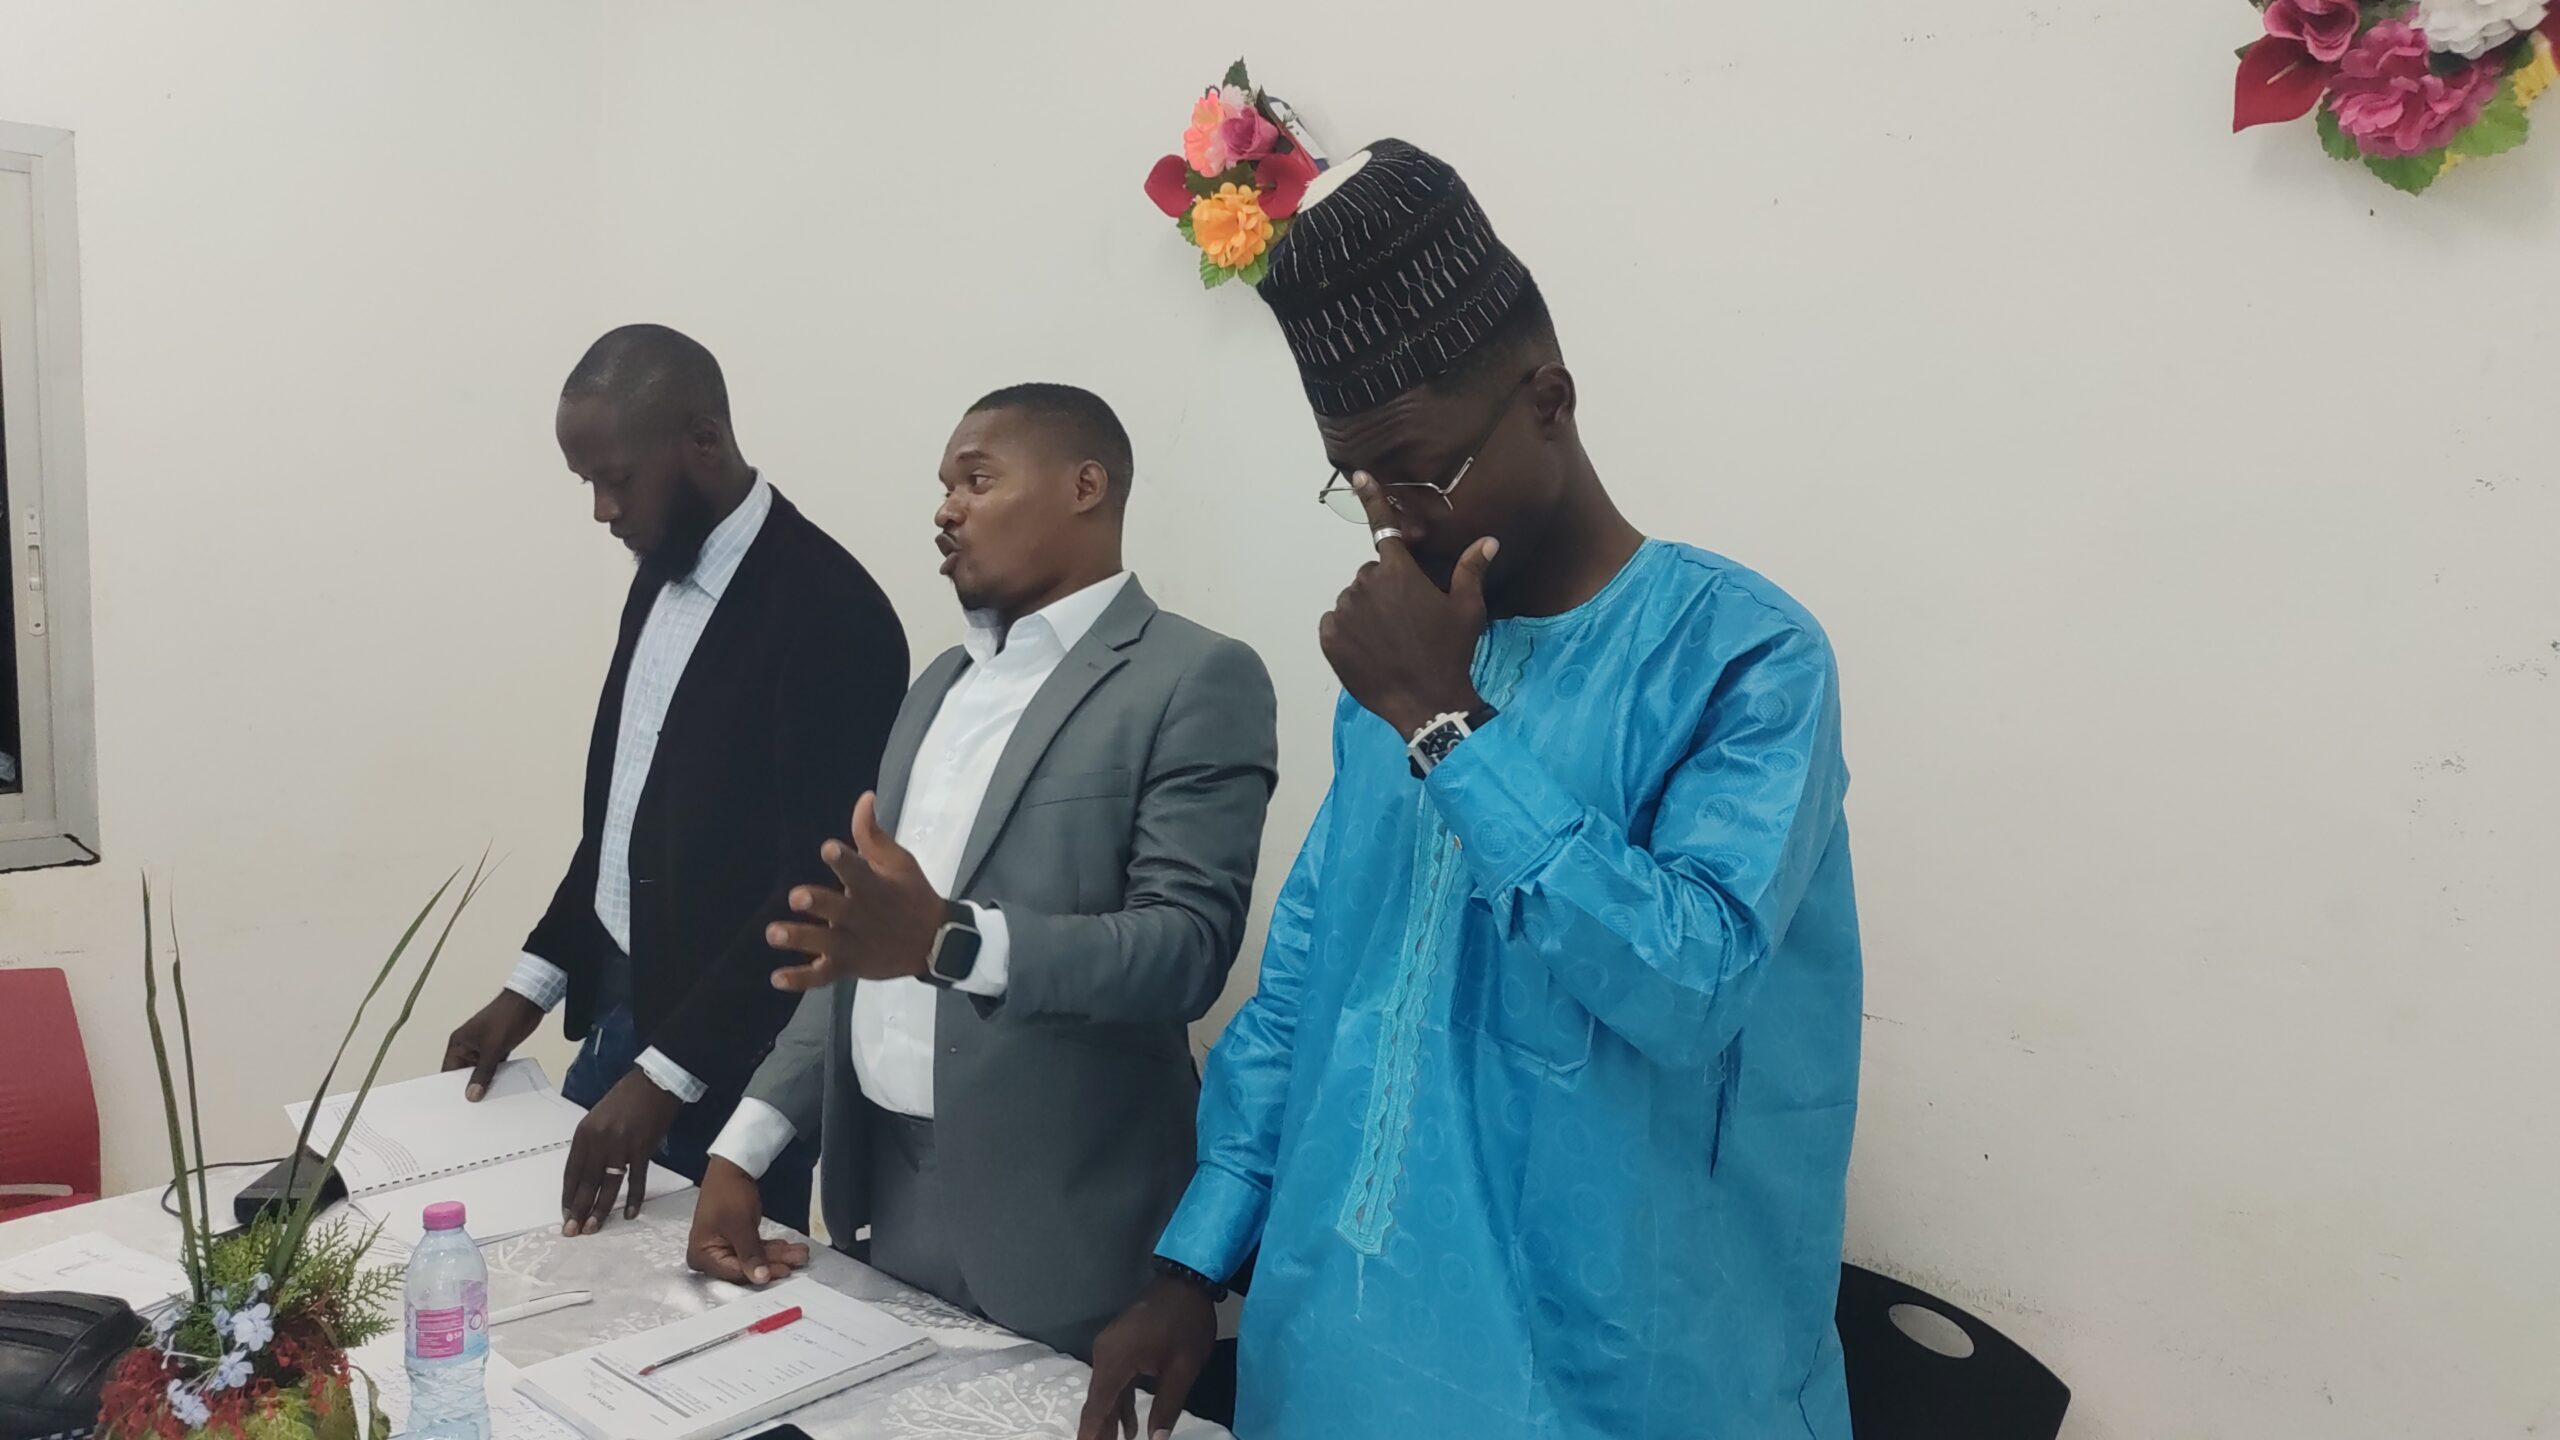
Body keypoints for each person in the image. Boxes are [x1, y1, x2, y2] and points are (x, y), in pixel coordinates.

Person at [1080, 141, 1865, 1440]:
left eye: (1415, 473)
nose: (1392, 523)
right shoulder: (1397, 667)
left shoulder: (1743, 658)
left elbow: (1691, 983)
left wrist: (1446, 726)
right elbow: (1307, 985)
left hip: (1617, 1380)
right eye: (1356, 485)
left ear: (1548, 401)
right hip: (1333, 1357)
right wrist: (1192, 1262)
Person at [681, 384, 1280, 1362]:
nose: (945, 510)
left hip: (1070, 1235)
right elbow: (866, 945)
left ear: (1085, 486)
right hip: (886, 1212)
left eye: (977, 479)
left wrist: (951, 942)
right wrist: (744, 1146)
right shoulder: (937, 687)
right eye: (944, 487)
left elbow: (1186, 949)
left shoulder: (1192, 676)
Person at [442, 324, 908, 1238]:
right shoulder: (661, 571)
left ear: (703, 441)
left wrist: (664, 1075)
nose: (602, 510)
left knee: (698, 1311)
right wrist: (531, 986)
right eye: (586, 483)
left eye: (616, 479)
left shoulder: (831, 612)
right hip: (625, 1013)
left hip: (728, 1062)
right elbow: (626, 822)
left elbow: (814, 892)